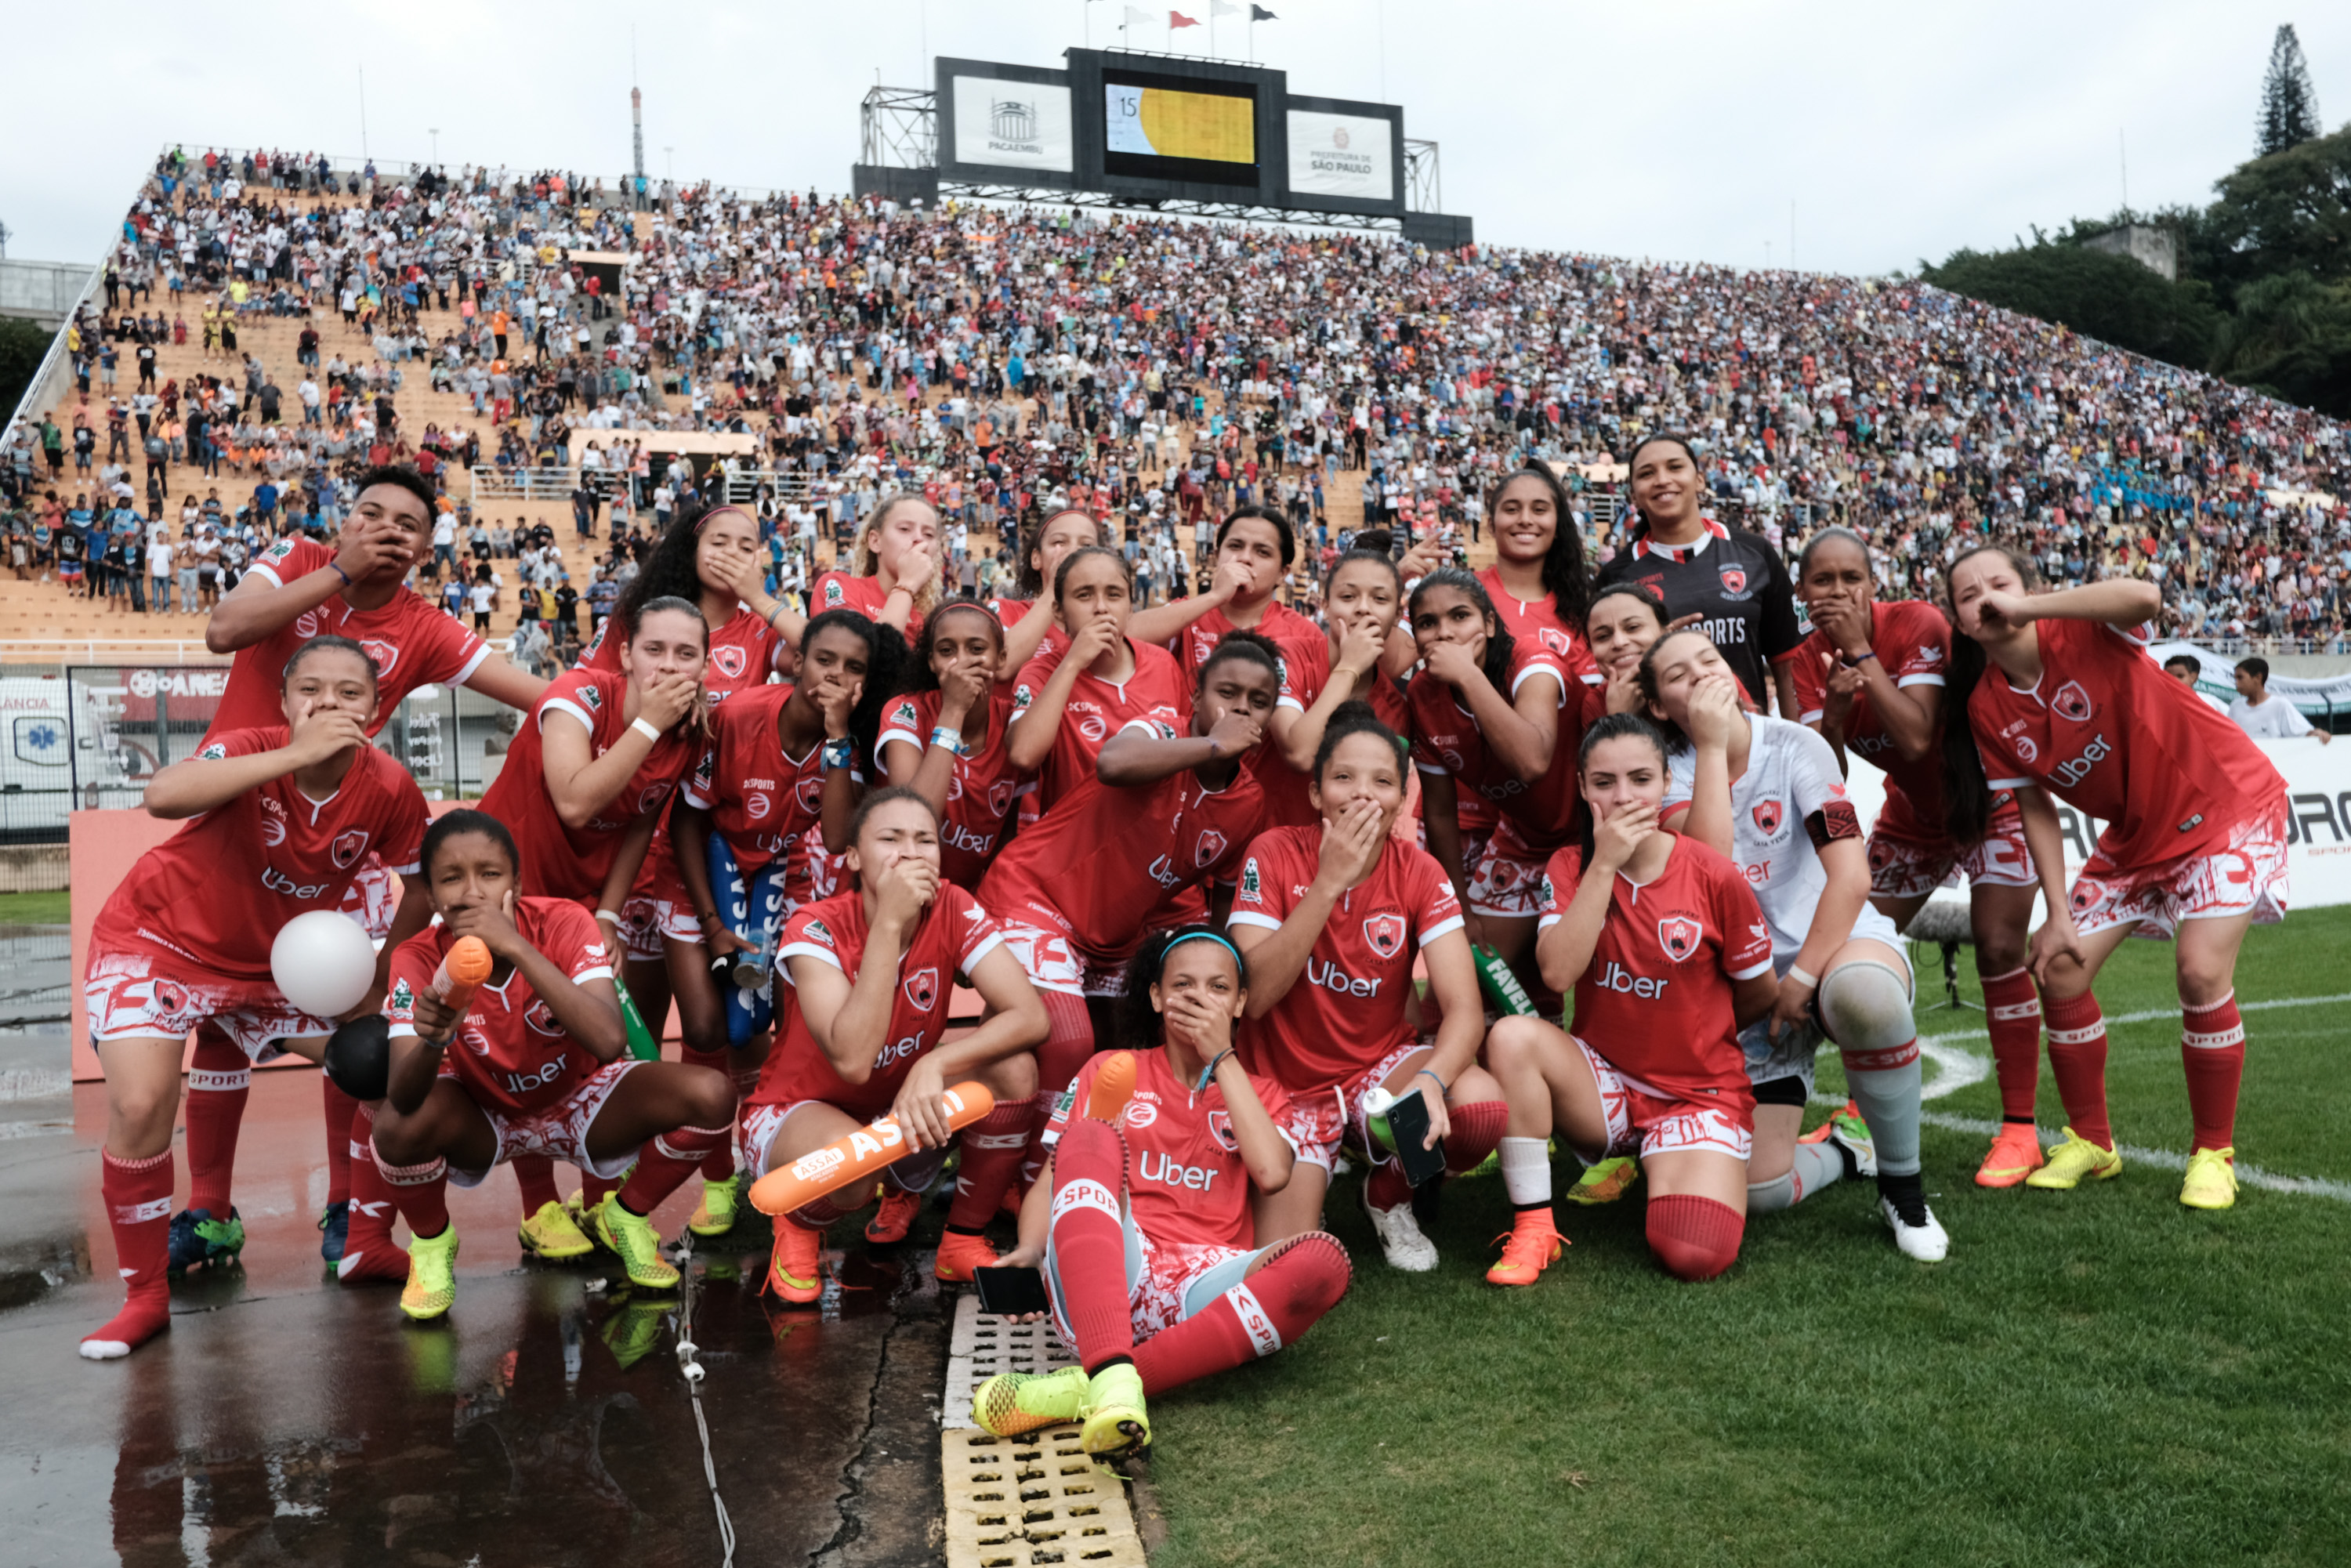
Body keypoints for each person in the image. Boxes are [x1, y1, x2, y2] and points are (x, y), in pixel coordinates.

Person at [176, 468, 550, 1276]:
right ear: (345, 524)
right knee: (219, 1020)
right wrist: (338, 569)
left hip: (334, 847)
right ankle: (208, 1213)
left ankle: (349, 1206)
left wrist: (628, 716)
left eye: (407, 524)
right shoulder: (301, 558)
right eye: (370, 515)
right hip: (237, 828)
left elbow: (541, 698)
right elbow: (225, 628)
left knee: (354, 1019)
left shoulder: (425, 627)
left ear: (426, 548)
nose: (387, 530)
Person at [78, 637, 433, 1358]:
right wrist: (293, 755)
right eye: (311, 690)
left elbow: (419, 884)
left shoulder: (391, 786)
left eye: (349, 693)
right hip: (161, 941)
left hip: (276, 968)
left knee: (380, 1068)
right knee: (143, 1104)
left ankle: (364, 1240)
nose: (327, 704)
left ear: (376, 710)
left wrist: (377, 976)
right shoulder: (251, 748)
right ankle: (144, 1298)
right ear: (283, 700)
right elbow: (162, 795)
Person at [1945, 548, 2289, 1210]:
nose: (1986, 598)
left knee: (2199, 970)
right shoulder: (1987, 708)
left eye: (1999, 584)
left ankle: (2213, 1154)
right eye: (1968, 595)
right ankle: (2093, 1142)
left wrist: (2031, 606)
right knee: (2060, 965)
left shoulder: (2081, 627)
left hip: (2224, 804)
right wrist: (2058, 912)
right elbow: (2035, 808)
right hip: (2134, 839)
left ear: (2028, 589)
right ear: (1958, 622)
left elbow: (2145, 596)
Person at [971, 928, 1350, 1460]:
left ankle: (1096, 1386)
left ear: (1241, 1001)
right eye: (1184, 985)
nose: (1200, 998)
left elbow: (1271, 1172)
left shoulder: (1261, 1092)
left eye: (1219, 987)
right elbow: (1056, 1175)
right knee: (1089, 1135)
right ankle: (1110, 1365)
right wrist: (1032, 1251)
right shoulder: (1111, 1067)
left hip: (1203, 1287)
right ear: (1155, 996)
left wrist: (1223, 1057)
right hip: (1111, 1272)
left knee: (1323, 1260)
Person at [1643, 628, 1947, 1260]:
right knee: (1761, 1191)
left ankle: (1904, 1191)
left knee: (1865, 995)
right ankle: (1844, 1148)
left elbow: (1853, 874)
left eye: (1709, 659)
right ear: (1656, 706)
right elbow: (1709, 871)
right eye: (1678, 674)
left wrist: (1802, 979)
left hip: (1829, 948)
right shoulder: (1661, 771)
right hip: (1745, 982)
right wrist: (1707, 746)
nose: (1700, 674)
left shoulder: (1796, 744)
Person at [368, 810, 737, 1319]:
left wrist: (516, 947)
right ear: (431, 897)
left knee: (712, 1095)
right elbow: (405, 1098)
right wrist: (434, 1039)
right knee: (392, 1128)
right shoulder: (416, 957)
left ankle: (625, 1216)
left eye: (490, 874)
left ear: (516, 883)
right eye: (452, 878)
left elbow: (609, 1039)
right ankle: (431, 1245)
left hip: (579, 1103)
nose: (472, 891)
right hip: (487, 1117)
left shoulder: (563, 920)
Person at [571, 502, 806, 1239]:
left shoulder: (767, 629)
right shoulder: (641, 618)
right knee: (620, 1035)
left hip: (717, 854)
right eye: (719, 540)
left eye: (750, 545)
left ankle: (720, 1180)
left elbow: (836, 652)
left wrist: (764, 595)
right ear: (688, 544)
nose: (733, 553)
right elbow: (602, 703)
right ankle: (597, 1196)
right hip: (635, 851)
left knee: (723, 1027)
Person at [1480, 715, 1778, 1284]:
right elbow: (1558, 973)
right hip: (1605, 1084)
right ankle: (1534, 1226)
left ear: (1667, 782)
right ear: (1583, 787)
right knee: (1511, 1035)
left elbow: (1759, 992)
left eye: (1640, 778)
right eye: (1604, 782)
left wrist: (1695, 1032)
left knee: (1694, 1255)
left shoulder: (1714, 873)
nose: (1623, 797)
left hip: (1696, 1093)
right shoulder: (1571, 865)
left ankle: (1663, 1158)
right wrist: (1606, 862)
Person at [1790, 527, 2043, 1190]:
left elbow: (1917, 731)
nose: (1839, 591)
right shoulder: (1800, 660)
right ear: (1801, 591)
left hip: (1991, 798)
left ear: (1874, 584)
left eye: (1852, 578)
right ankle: (1859, 1117)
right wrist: (1837, 718)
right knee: (1845, 947)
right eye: (1823, 580)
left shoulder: (1917, 623)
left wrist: (1863, 656)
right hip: (1914, 814)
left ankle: (2020, 1130)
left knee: (1996, 947)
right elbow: (1828, 775)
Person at [982, 630, 1282, 1175]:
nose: (1240, 708)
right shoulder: (1162, 727)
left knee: (1125, 1051)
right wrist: (1214, 743)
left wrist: (1219, 983)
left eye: (1257, 701)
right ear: (1195, 698)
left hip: (1110, 934)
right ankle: (1035, 1181)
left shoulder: (1249, 803)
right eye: (1227, 692)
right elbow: (1113, 762)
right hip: (1035, 893)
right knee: (1069, 1040)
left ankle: (1089, 1163)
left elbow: (1218, 907)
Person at [466, 595, 709, 1246]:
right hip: (509, 884)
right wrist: (649, 725)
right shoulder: (580, 695)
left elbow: (642, 816)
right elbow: (575, 800)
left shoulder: (685, 729)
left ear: (706, 663)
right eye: (654, 649)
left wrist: (606, 910)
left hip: (583, 894)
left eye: (686, 653)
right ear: (625, 652)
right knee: (522, 1042)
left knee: (588, 1043)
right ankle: (539, 1206)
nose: (668, 665)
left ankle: (602, 1199)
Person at [1226, 704, 1503, 1272]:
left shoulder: (1420, 870)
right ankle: (1314, 1175)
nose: (1363, 794)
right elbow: (1253, 997)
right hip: (1281, 1088)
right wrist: (1327, 882)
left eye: (1382, 781)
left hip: (1375, 1074)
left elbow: (1465, 1011)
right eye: (1344, 777)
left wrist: (1429, 1079)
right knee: (1285, 1262)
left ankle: (1387, 1194)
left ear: (1402, 801)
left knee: (1477, 1107)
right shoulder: (1274, 852)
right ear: (1315, 794)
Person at [744, 788, 1047, 1300]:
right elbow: (854, 1060)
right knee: (854, 1171)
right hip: (798, 1113)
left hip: (895, 1108)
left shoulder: (952, 902)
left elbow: (1030, 1015)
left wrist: (937, 1061)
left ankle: (959, 1238)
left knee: (1015, 1068)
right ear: (856, 858)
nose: (910, 853)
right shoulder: (814, 927)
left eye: (924, 840)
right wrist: (888, 920)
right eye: (891, 839)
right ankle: (798, 1222)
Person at [1404, 567, 1589, 994]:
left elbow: (1531, 761)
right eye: (1427, 624)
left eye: (1460, 617)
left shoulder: (1533, 663)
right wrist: (1461, 909)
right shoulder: (1422, 695)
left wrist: (1467, 676)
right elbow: (1438, 810)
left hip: (1594, 836)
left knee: (1569, 976)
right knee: (1467, 983)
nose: (1444, 633)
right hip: (1523, 838)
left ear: (1489, 624)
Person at [1593, 433, 1802, 718]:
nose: (1662, 479)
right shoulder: (1616, 577)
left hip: (1750, 743)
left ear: (1700, 480)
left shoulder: (1755, 553)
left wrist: (1797, 742)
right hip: (1664, 750)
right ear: (1634, 495)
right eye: (1647, 473)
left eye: (1675, 467)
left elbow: (1788, 663)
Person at [878, 602, 1029, 889]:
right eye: (947, 651)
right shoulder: (905, 712)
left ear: (1001, 658)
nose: (961, 662)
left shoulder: (1013, 724)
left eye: (976, 649)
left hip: (967, 898)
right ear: (931, 661)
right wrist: (954, 710)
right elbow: (914, 819)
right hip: (900, 887)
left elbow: (1006, 832)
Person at [1261, 547, 1413, 829]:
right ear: (1325, 606)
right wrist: (1350, 667)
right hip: (1270, 848)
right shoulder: (1287, 656)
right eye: (1347, 596)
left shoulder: (1396, 708)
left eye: (1380, 599)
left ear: (1397, 615)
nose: (1363, 608)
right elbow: (1300, 753)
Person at [812, 491, 940, 639]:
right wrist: (907, 584)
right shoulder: (839, 585)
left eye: (929, 534)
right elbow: (852, 653)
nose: (919, 539)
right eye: (904, 529)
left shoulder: (931, 620)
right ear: (875, 541)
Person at [2228, 657, 2330, 744]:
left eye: (2240, 678)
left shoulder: (2280, 704)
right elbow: (2227, 738)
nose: (2236, 682)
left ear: (2258, 677)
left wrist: (2316, 733)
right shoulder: (2235, 707)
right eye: (2235, 678)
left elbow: (2300, 732)